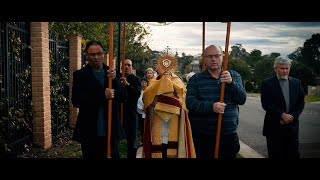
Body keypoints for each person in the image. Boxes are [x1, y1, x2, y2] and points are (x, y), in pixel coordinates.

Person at [186, 45, 246, 159]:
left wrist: (231, 83)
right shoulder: (196, 79)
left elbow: (242, 99)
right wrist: (211, 107)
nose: (214, 59)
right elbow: (190, 102)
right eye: (209, 56)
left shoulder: (234, 76)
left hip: (229, 135)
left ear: (222, 57)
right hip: (203, 136)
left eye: (217, 56)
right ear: (204, 59)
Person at [71, 40, 126, 159]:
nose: (96, 57)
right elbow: (76, 101)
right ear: (87, 56)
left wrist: (115, 80)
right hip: (90, 129)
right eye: (92, 54)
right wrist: (102, 96)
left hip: (110, 127)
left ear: (103, 54)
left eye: (99, 53)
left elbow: (122, 97)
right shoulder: (80, 75)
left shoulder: (111, 74)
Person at [143, 55, 196, 158]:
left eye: (167, 67)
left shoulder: (178, 82)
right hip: (157, 125)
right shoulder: (153, 82)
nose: (165, 70)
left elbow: (182, 99)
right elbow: (146, 98)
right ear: (158, 68)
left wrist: (169, 95)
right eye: (162, 67)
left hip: (173, 124)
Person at [261, 56, 305, 158]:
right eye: (282, 68)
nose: (285, 71)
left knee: (293, 154)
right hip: (274, 128)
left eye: (287, 68)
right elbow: (266, 104)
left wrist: (290, 117)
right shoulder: (267, 83)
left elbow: (300, 103)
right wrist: (282, 115)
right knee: (275, 155)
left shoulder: (296, 83)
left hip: (292, 127)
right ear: (275, 69)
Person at [120, 59, 142, 158]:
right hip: (119, 113)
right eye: (124, 65)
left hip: (131, 113)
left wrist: (127, 85)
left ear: (132, 67)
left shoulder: (136, 79)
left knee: (132, 141)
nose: (126, 67)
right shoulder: (117, 78)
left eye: (129, 65)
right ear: (121, 67)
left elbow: (137, 93)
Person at [137, 77, 148, 145]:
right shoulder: (139, 91)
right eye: (142, 82)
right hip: (140, 111)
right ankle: (142, 141)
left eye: (145, 82)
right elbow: (137, 101)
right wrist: (140, 108)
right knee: (142, 128)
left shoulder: (149, 91)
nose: (143, 84)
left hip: (147, 112)